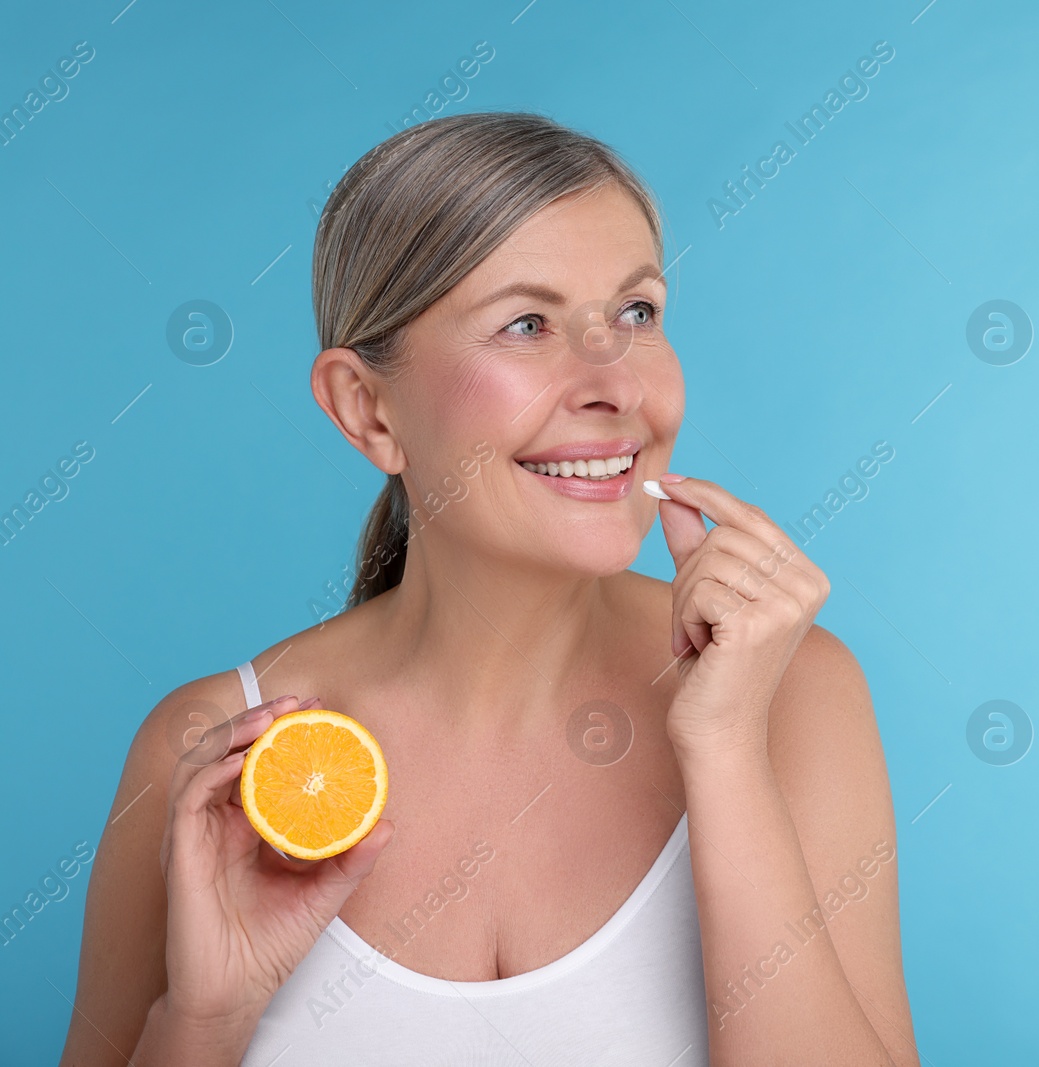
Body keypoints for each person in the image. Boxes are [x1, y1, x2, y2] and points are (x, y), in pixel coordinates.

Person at [61, 111, 917, 1066]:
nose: (616, 385)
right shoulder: (212, 763)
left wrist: (722, 750)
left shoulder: (793, 695)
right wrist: (205, 1021)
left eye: (636, 313)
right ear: (368, 408)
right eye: (527, 323)